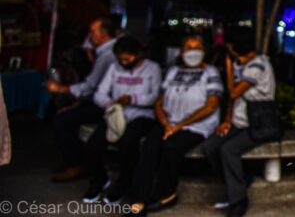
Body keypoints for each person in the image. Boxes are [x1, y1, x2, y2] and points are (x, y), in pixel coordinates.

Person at [127, 36, 222, 216]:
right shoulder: (172, 71)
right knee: (150, 146)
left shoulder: (211, 73)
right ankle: (139, 199)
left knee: (172, 147)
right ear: (181, 51)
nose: (192, 51)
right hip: (168, 122)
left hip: (196, 125)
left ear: (204, 51)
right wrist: (165, 123)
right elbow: (159, 102)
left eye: (197, 47)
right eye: (188, 47)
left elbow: (211, 105)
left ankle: (166, 194)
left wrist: (180, 126)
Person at [202, 27, 277, 217]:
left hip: (259, 124)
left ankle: (238, 200)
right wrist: (227, 121)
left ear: (233, 47)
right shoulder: (241, 62)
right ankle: (239, 180)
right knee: (211, 146)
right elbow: (234, 100)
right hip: (239, 121)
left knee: (229, 150)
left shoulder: (257, 65)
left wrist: (227, 68)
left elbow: (234, 92)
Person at [82, 36, 161, 204]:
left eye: (128, 58)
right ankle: (99, 180)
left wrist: (133, 99)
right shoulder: (114, 67)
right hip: (116, 114)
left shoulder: (152, 68)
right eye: (120, 59)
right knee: (93, 146)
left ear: (139, 54)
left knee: (128, 144)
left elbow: (156, 96)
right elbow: (99, 93)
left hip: (142, 115)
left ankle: (125, 183)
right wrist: (111, 103)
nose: (124, 62)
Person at [47, 17, 118, 182]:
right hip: (100, 99)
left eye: (93, 32)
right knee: (67, 113)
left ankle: (77, 164)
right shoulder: (103, 52)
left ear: (104, 34)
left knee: (62, 120)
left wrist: (61, 89)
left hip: (109, 104)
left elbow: (90, 85)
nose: (90, 36)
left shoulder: (108, 55)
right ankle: (73, 160)